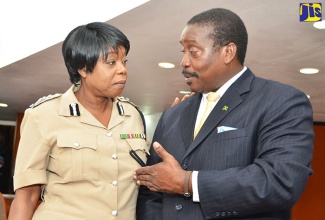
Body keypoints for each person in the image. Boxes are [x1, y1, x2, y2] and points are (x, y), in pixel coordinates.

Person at [135, 8, 314, 220]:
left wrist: (188, 182)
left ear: (228, 52)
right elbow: (151, 190)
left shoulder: (281, 101)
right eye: (183, 52)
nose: (184, 61)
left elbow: (280, 181)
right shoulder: (172, 115)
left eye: (193, 51)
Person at [8, 22, 150, 220]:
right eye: (111, 62)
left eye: (124, 62)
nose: (122, 70)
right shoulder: (44, 115)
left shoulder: (133, 115)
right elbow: (27, 197)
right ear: (83, 68)